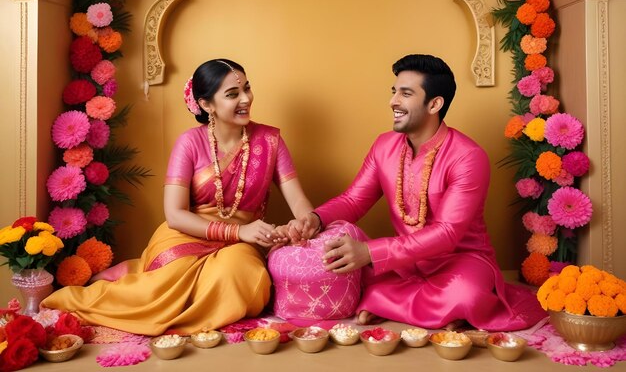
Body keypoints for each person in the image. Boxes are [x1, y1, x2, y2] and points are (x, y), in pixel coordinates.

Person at [42, 59, 314, 335]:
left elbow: (298, 201)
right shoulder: (190, 143)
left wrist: (305, 222)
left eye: (247, 88)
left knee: (244, 276)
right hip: (188, 236)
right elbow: (174, 215)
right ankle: (116, 296)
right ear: (207, 105)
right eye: (233, 94)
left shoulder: (269, 141)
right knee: (160, 289)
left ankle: (169, 303)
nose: (245, 99)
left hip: (237, 248)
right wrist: (239, 231)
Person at [285, 54, 546, 331]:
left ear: (434, 104)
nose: (393, 101)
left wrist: (371, 253)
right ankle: (433, 311)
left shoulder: (468, 156)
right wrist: (316, 218)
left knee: (465, 294)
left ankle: (396, 304)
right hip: (403, 265)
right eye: (394, 91)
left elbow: (447, 233)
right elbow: (354, 200)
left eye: (406, 93)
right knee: (339, 239)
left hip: (460, 263)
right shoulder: (384, 145)